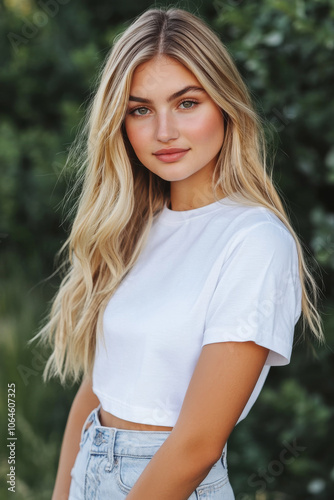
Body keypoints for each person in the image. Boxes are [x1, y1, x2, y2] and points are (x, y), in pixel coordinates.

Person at [29, 6, 325, 500]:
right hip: (91, 466)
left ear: (225, 105)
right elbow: (99, 389)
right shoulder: (131, 228)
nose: (163, 131)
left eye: (187, 103)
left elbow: (198, 445)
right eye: (140, 109)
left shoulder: (255, 240)